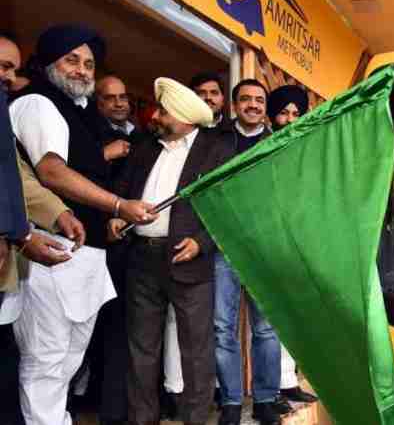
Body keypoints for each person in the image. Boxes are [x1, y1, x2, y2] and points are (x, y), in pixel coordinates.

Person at [8, 24, 156, 425]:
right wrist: (119, 205)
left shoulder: (79, 114)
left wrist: (109, 217)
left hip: (83, 254)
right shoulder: (37, 103)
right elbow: (51, 172)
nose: (82, 70)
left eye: (89, 63)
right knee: (47, 362)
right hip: (48, 249)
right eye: (72, 59)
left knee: (69, 361)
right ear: (49, 62)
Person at [108, 77, 233, 425]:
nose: (156, 116)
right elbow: (123, 187)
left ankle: (195, 420)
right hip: (142, 258)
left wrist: (202, 242)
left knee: (196, 352)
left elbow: (229, 208)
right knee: (141, 349)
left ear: (183, 117)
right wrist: (118, 214)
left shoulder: (217, 149)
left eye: (164, 111)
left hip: (188, 258)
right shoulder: (146, 144)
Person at [0, 30, 86, 425]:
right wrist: (21, 235)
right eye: (2, 66)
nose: (8, 77)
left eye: (12, 69)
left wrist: (53, 212)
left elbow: (14, 176)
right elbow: (46, 172)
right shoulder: (34, 104)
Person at [215, 79, 284, 425]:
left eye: (259, 100)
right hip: (222, 245)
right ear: (234, 105)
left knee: (266, 328)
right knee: (222, 327)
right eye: (246, 100)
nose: (253, 105)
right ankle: (230, 402)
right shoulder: (215, 141)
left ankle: (265, 400)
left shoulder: (279, 144)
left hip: (262, 248)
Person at [88, 74, 151, 424]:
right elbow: (64, 175)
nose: (119, 103)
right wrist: (104, 155)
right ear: (97, 102)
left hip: (138, 248)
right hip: (101, 241)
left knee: (134, 330)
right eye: (110, 98)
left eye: (124, 97)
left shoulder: (142, 136)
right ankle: (107, 410)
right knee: (107, 330)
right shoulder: (88, 132)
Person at [265, 85, 318, 404]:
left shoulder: (309, 149)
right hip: (271, 241)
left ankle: (288, 380)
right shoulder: (263, 148)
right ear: (273, 116)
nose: (289, 119)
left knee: (296, 316)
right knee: (269, 320)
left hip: (302, 241)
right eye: (283, 113)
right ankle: (270, 388)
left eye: (296, 113)